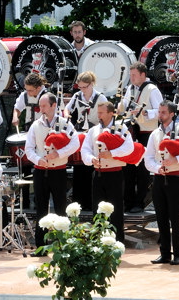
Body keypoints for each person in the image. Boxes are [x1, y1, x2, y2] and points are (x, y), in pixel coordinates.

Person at [144, 101, 179, 266]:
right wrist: (157, 168)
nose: (160, 115)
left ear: (172, 114)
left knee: (175, 217)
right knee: (161, 217)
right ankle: (165, 253)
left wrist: (177, 159)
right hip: (159, 177)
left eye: (163, 112)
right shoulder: (155, 133)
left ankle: (178, 254)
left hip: (175, 177)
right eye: (159, 112)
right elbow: (148, 158)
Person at [25, 93, 80, 249]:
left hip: (58, 171)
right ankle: (40, 247)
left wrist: (59, 153)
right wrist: (38, 160)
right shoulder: (35, 125)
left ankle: (62, 246)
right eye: (40, 106)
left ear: (53, 105)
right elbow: (29, 149)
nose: (41, 109)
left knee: (60, 208)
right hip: (40, 171)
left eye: (44, 106)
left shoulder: (65, 123)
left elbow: (75, 143)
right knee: (41, 209)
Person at [80, 102, 133, 243]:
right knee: (97, 210)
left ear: (111, 113)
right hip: (98, 173)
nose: (99, 116)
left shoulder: (121, 128)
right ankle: (98, 242)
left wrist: (112, 154)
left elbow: (129, 147)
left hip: (115, 174)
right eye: (98, 112)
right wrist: (91, 159)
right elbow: (85, 150)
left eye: (101, 113)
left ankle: (117, 243)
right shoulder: (93, 130)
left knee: (116, 210)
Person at [119, 61, 161, 213]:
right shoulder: (130, 88)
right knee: (128, 167)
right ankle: (128, 202)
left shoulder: (152, 89)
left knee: (142, 169)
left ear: (143, 75)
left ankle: (139, 202)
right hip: (132, 131)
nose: (131, 78)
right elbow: (124, 108)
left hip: (146, 133)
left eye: (134, 75)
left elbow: (160, 111)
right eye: (130, 75)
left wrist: (145, 113)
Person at [65, 71, 109, 208]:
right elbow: (67, 109)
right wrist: (67, 118)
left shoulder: (100, 97)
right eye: (80, 87)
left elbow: (107, 115)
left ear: (91, 84)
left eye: (85, 87)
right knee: (79, 167)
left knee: (91, 166)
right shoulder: (77, 96)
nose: (82, 90)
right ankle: (79, 202)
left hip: (95, 133)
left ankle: (92, 202)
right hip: (80, 133)